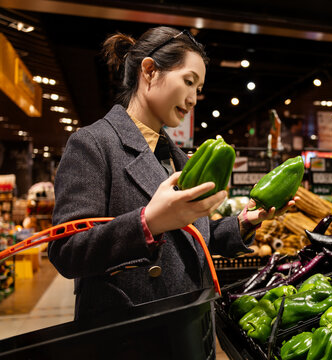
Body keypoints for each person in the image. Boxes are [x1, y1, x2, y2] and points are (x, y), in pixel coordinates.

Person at [49, 26, 296, 322]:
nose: (193, 99)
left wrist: (243, 222)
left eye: (199, 89)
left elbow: (190, 238)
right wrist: (148, 223)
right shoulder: (94, 144)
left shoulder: (179, 157)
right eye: (188, 82)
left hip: (189, 327)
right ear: (150, 71)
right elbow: (67, 251)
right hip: (129, 333)